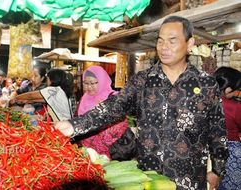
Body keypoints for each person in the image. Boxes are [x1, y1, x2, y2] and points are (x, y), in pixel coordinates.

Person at [55, 16, 228, 189]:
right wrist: (74, 125)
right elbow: (114, 106)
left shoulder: (206, 84)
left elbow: (217, 130)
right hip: (148, 179)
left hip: (189, 178)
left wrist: (217, 170)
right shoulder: (142, 81)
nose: (164, 47)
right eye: (160, 41)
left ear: (190, 44)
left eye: (172, 41)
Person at [75, 65, 130, 159]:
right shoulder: (83, 99)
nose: (89, 87)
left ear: (102, 81)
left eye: (93, 83)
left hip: (111, 151)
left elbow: (121, 124)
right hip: (88, 152)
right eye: (86, 83)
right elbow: (77, 120)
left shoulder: (113, 98)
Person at [213, 67, 241, 190]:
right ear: (227, 87)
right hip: (232, 150)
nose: (237, 92)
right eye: (236, 89)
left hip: (212, 149)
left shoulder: (204, 100)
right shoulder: (235, 106)